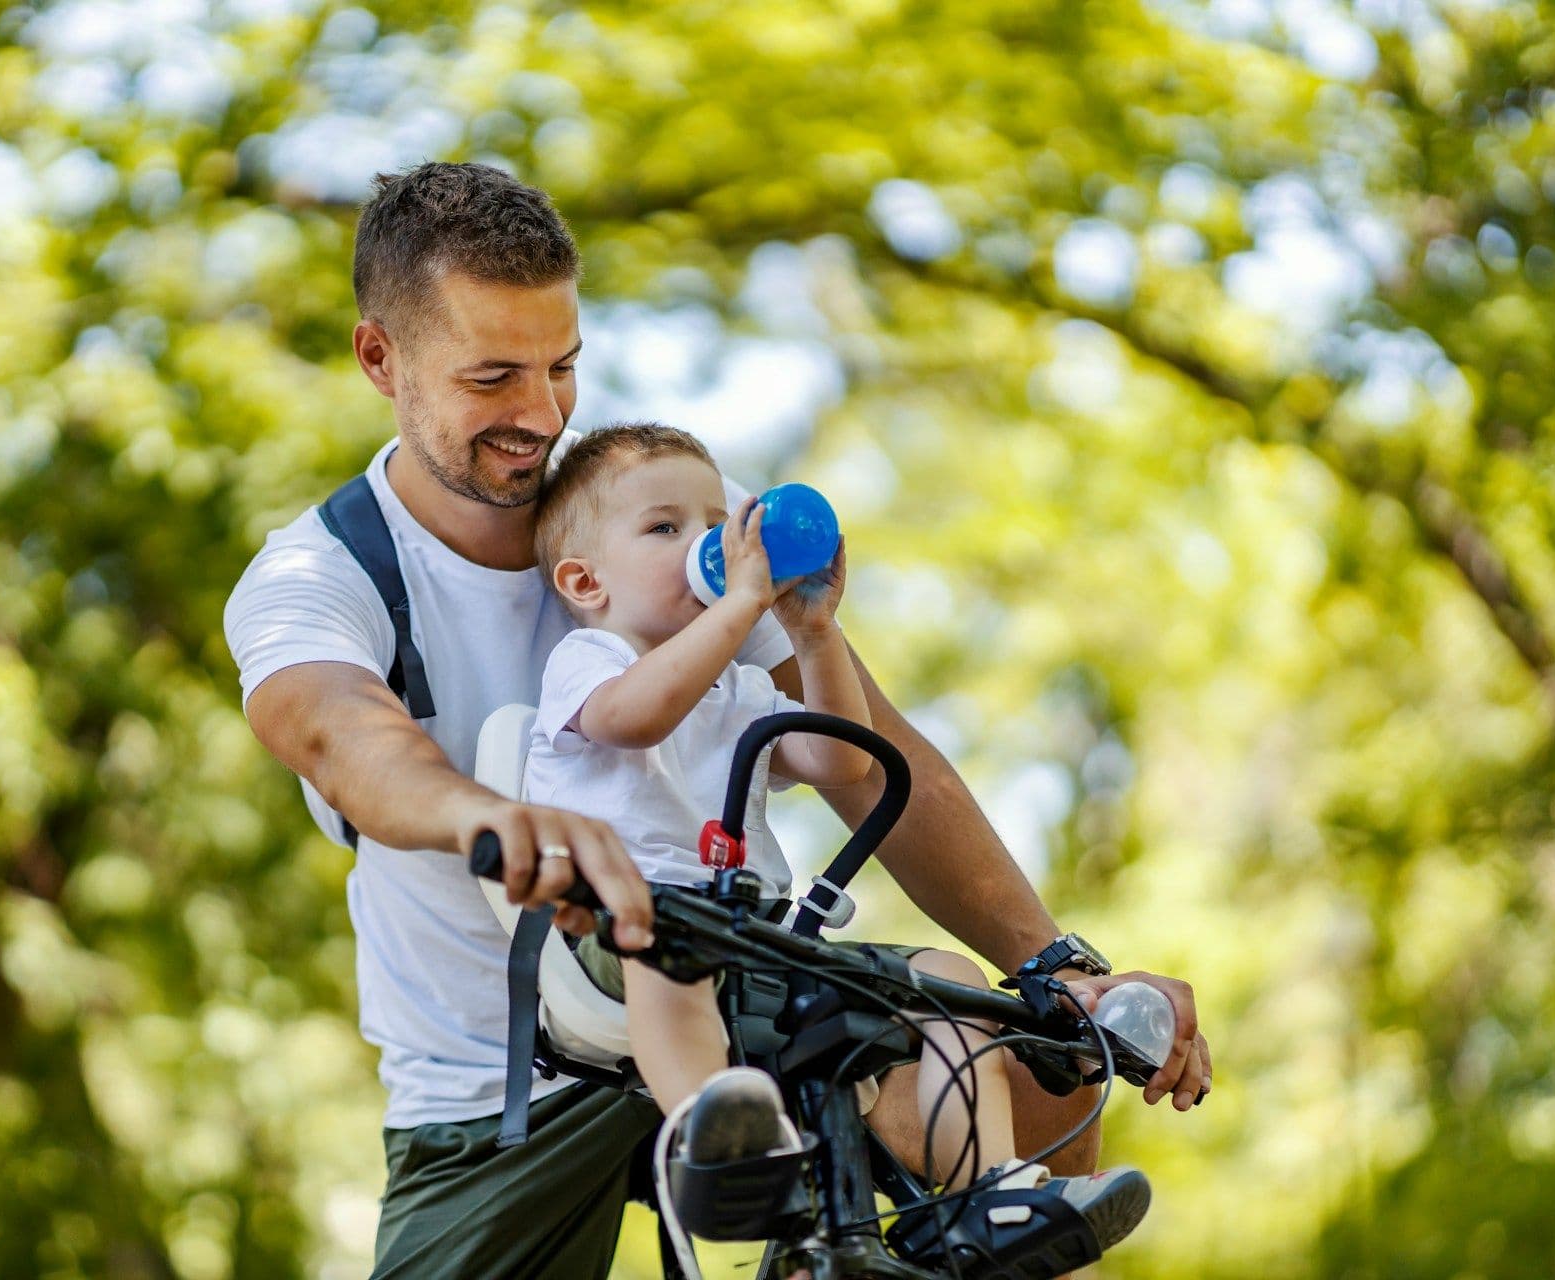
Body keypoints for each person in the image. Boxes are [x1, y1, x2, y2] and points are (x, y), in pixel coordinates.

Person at [223, 161, 1210, 1278]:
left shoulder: (663, 516)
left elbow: (862, 751)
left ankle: (964, 1212)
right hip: (497, 1081)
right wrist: (489, 819)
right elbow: (339, 732)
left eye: (562, 367)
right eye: (493, 375)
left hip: (741, 981)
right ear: (380, 359)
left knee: (1037, 1067)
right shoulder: (321, 571)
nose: (540, 415)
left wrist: (1061, 965)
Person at [523, 423, 1152, 1265]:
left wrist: (814, 633)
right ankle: (726, 1141)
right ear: (583, 580)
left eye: (716, 523)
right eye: (665, 528)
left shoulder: (741, 687)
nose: (710, 545)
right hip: (624, 924)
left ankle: (989, 1195)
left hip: (762, 940)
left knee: (950, 986)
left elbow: (840, 760)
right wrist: (743, 604)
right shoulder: (588, 660)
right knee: (667, 958)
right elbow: (636, 716)